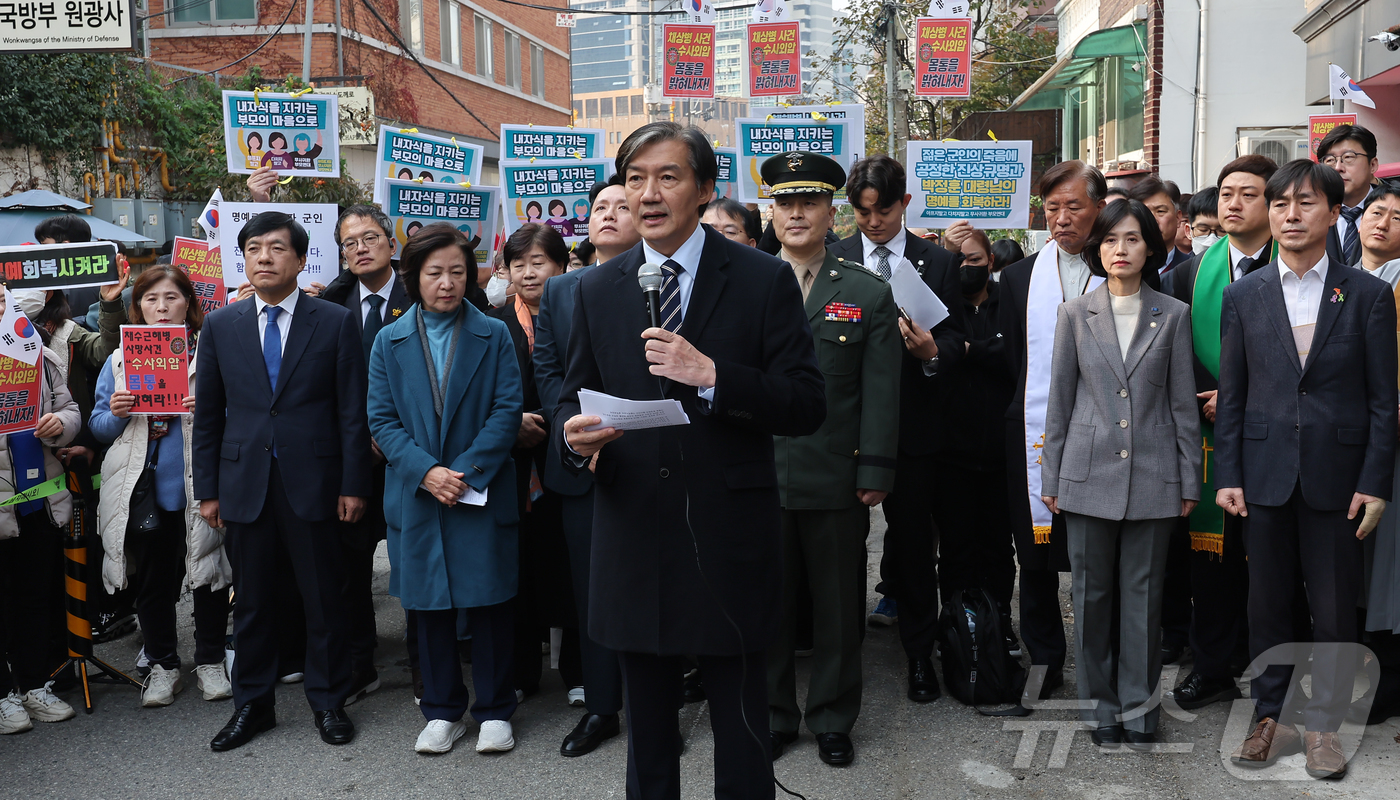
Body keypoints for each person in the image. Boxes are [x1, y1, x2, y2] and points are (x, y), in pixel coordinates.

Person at [557, 121, 825, 799]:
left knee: (740, 724)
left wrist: (712, 375)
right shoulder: (594, 287)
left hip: (728, 527)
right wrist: (572, 434)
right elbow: (570, 395)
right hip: (634, 528)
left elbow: (804, 403)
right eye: (635, 177)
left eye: (668, 177)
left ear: (705, 190)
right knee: (648, 730)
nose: (648, 193)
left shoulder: (763, 279)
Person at [1215, 159, 1397, 779]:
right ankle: (1271, 716)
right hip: (1263, 473)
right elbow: (1233, 397)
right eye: (1282, 204)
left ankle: (1323, 724)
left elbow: (1381, 400)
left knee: (1335, 606)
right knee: (1265, 602)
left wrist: (1375, 482)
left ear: (1333, 211)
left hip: (1339, 477)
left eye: (1306, 204)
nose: (1292, 215)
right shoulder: (1243, 295)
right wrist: (1228, 474)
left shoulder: (1367, 293)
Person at [193, 211, 372, 751]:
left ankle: (328, 701)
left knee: (324, 598)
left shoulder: (334, 321)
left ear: (299, 258)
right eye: (253, 248)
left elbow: (351, 412)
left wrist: (354, 483)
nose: (264, 257)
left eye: (276, 248)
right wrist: (208, 490)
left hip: (316, 480)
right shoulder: (222, 325)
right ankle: (253, 704)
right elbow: (209, 415)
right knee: (251, 601)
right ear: (243, 258)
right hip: (245, 481)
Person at [1040, 199, 1201, 749]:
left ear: (1150, 248)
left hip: (1156, 476)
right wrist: (1052, 479)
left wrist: (1189, 479)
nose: (1121, 250)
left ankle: (1139, 709)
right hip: (1086, 476)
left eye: (1132, 239)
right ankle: (1098, 709)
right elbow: (1059, 404)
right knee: (1090, 596)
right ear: (1097, 249)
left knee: (1145, 597)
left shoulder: (1173, 314)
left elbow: (1183, 407)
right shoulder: (1074, 315)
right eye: (1111, 240)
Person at [761, 151, 900, 767]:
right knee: (766, 604)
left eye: (809, 202)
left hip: (836, 474)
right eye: (785, 202)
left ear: (830, 211)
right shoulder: (744, 284)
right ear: (770, 210)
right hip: (756, 476)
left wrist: (874, 469)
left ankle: (832, 717)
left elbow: (880, 392)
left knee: (840, 608)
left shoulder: (866, 293)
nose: (796, 213)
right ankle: (770, 714)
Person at [366, 223, 523, 755]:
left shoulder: (494, 332)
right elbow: (381, 420)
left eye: (458, 271)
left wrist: (465, 471)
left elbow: (507, 411)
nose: (448, 283)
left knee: (490, 603)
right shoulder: (388, 340)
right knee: (427, 605)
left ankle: (497, 708)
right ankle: (442, 709)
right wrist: (427, 472)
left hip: (479, 487)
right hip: (419, 492)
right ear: (411, 277)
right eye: (435, 273)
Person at [828, 154, 966, 702]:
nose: (872, 222)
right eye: (861, 212)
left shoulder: (940, 262)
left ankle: (918, 655)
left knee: (911, 549)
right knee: (839, 549)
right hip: (843, 430)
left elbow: (958, 341)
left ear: (905, 204)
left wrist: (934, 353)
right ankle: (839, 658)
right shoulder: (832, 259)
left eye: (882, 211)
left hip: (913, 433)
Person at [1161, 155, 1278, 712]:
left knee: (1275, 561)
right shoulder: (1189, 273)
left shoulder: (1300, 268)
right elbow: (1169, 355)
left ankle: (1271, 674)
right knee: (1210, 561)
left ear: (1272, 202)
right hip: (1206, 438)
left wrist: (1239, 399)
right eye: (1226, 193)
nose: (1232, 203)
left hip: (1275, 437)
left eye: (1248, 194)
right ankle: (1210, 667)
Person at [534, 174, 641, 758]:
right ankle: (602, 707)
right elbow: (550, 373)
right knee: (592, 592)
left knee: (650, 586)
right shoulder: (560, 291)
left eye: (621, 206)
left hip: (646, 462)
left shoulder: (662, 282)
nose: (607, 214)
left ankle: (655, 707)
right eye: (599, 205)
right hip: (580, 464)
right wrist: (575, 433)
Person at [91, 265, 233, 708]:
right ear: (139, 307)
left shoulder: (211, 353)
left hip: (202, 484)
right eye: (151, 299)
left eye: (172, 297)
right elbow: (97, 428)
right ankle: (163, 664)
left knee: (210, 574)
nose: (162, 307)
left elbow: (245, 416)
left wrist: (210, 409)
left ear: (188, 303)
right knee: (153, 582)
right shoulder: (119, 359)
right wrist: (118, 411)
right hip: (144, 489)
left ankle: (210, 660)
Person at [998, 160, 1113, 702]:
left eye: (1074, 206)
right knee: (1035, 557)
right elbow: (1013, 362)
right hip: (1034, 432)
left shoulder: (1122, 266)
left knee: (1099, 555)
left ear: (1100, 208)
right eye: (1051, 209)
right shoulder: (1020, 276)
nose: (1062, 219)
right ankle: (1044, 659)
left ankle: (1102, 664)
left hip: (1107, 437)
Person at [315, 204, 419, 707]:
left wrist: (391, 433)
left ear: (391, 245)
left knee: (414, 561)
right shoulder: (329, 302)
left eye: (370, 237)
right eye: (348, 241)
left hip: (412, 452)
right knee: (350, 567)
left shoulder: (420, 293)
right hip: (352, 457)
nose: (359, 247)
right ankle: (360, 662)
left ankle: (427, 666)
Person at [487, 224, 580, 704]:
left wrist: (543, 420)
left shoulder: (578, 313)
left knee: (569, 563)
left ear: (562, 265)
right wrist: (510, 426)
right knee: (517, 567)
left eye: (539, 262)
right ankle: (522, 672)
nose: (528, 272)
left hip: (567, 455)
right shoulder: (493, 320)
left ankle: (578, 672)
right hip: (514, 464)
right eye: (518, 263)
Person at [928, 227, 1019, 653]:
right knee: (957, 549)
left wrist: (968, 351)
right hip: (951, 451)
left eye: (975, 260)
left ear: (992, 262)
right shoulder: (942, 307)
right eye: (958, 261)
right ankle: (957, 626)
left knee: (1000, 548)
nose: (967, 267)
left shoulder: (1010, 301)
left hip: (1004, 451)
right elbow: (935, 355)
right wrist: (972, 348)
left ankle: (999, 621)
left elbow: (1015, 354)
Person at [0, 323, 83, 734]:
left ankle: (34, 684)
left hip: (38, 497)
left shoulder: (38, 355)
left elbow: (70, 411)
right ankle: (2, 695)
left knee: (34, 597)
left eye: (2, 299)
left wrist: (60, 424)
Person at [1354, 181, 1400, 725]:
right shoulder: (1339, 279)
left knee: (1388, 564)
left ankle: (1387, 683)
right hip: (1344, 440)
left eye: (1396, 215)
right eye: (1375, 211)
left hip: (1389, 439)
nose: (1383, 221)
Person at [1317, 124, 1380, 267]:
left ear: (1372, 165)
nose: (1338, 167)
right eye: (1330, 160)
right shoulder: (1312, 212)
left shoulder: (1392, 208)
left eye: (1348, 157)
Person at [1128, 177, 1193, 274]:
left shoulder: (1192, 269)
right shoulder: (1121, 268)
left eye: (1160, 211)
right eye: (1145, 212)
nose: (1153, 220)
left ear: (1178, 217)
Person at [1187, 187, 1223, 255]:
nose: (1211, 241)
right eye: (1203, 230)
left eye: (1222, 231)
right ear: (1188, 231)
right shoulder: (1181, 265)